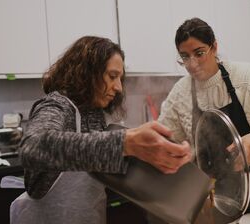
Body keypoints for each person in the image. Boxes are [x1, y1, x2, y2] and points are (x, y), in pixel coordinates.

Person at [11, 36, 192, 224]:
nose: (119, 88)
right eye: (112, 76)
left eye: (120, 79)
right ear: (86, 72)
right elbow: (32, 148)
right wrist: (125, 143)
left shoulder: (94, 115)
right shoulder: (56, 106)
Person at [158, 18, 250, 214]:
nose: (192, 64)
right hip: (206, 200)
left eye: (199, 53)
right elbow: (167, 139)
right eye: (185, 57)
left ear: (214, 47)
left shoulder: (247, 78)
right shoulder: (180, 93)